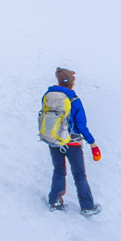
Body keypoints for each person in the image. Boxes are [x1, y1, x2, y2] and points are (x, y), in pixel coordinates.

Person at [38, 67, 101, 214]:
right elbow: (81, 125)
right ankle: (87, 207)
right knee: (79, 175)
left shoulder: (48, 95)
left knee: (59, 170)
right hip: (72, 143)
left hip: (54, 139)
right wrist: (92, 143)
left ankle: (55, 201)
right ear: (71, 83)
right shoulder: (74, 99)